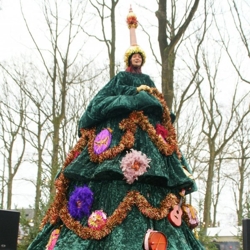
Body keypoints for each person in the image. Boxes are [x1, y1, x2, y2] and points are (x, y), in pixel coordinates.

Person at [28, 7, 204, 250]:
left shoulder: (150, 84)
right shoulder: (119, 81)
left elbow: (164, 113)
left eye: (140, 56)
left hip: (150, 150)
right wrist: (131, 100)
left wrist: (153, 106)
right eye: (133, 56)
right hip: (116, 146)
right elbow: (93, 110)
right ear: (128, 60)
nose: (137, 58)